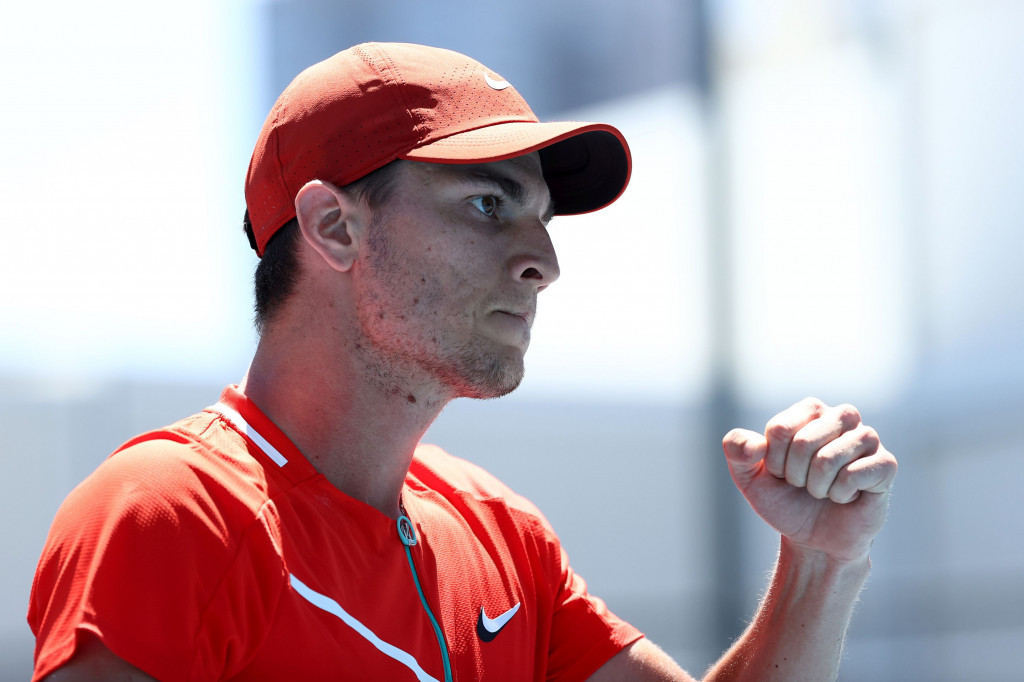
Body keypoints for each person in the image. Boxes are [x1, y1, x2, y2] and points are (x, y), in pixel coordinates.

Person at [27, 42, 897, 681]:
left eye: (542, 219)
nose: (544, 262)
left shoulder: (501, 533)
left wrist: (820, 563)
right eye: (488, 204)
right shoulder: (170, 513)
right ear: (333, 227)